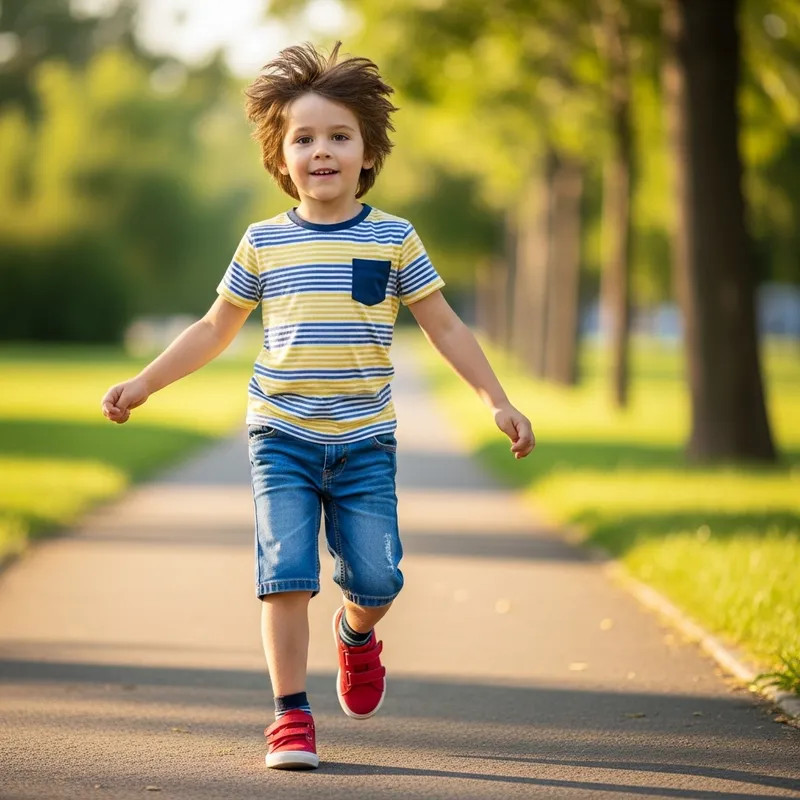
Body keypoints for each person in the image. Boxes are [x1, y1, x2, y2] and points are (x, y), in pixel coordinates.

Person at [101, 41, 535, 771]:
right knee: (286, 571)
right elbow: (215, 327)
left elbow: (446, 325)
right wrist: (144, 383)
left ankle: (358, 634)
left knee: (378, 578)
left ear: (368, 153)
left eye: (339, 136)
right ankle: (290, 717)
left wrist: (496, 398)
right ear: (281, 156)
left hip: (366, 441)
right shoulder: (264, 243)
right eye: (304, 138)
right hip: (282, 435)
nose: (321, 151)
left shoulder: (394, 238)